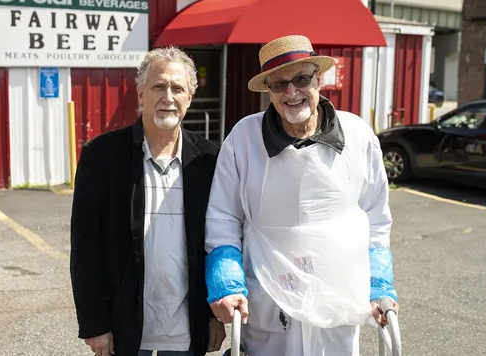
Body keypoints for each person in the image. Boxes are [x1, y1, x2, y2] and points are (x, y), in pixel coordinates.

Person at [204, 35, 400, 356]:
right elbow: (223, 216)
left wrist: (379, 282)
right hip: (270, 298)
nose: (292, 92)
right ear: (268, 90)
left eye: (301, 79)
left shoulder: (358, 135)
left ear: (319, 80)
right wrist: (226, 282)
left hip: (339, 294)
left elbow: (375, 216)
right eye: (279, 84)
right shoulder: (244, 138)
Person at [70, 46, 225, 356]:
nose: (168, 96)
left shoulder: (210, 159)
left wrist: (212, 316)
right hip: (124, 325)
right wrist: (94, 323)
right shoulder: (101, 157)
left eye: (178, 88)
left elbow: (216, 240)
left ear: (189, 98)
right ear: (141, 94)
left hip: (186, 324)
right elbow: (85, 247)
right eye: (158, 86)